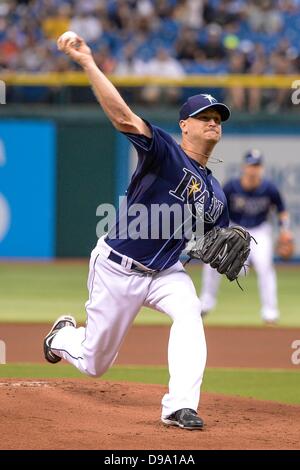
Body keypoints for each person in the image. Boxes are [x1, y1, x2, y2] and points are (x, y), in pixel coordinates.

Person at [43, 32, 232, 431]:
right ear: (185, 126)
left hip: (166, 273)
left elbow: (212, 241)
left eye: (218, 119)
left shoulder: (216, 192)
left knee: (190, 313)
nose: (214, 123)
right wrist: (88, 62)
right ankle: (61, 337)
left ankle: (179, 406)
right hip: (118, 267)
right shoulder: (165, 150)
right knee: (95, 363)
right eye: (206, 117)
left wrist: (212, 248)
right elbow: (123, 118)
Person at [199, 149, 293, 324]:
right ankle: (206, 302)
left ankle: (270, 311)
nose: (253, 170)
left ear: (262, 168)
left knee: (265, 266)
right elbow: (218, 207)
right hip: (234, 227)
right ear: (244, 167)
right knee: (212, 261)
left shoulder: (270, 188)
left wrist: (285, 230)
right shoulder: (231, 187)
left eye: (257, 166)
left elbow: (282, 212)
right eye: (250, 165)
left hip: (259, 230)